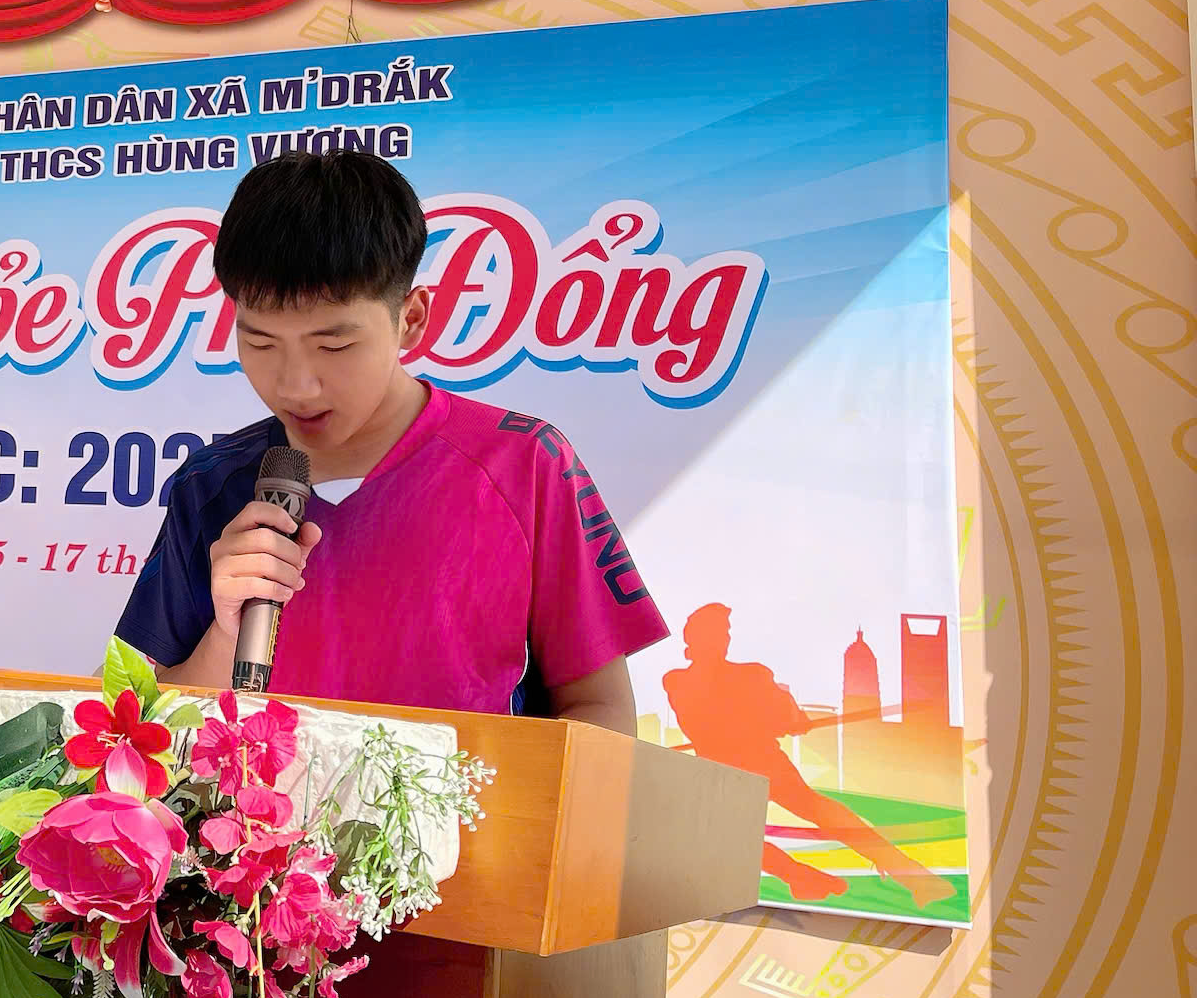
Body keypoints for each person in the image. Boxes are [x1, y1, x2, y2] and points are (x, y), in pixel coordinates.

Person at [114, 151, 665, 730]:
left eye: (334, 346)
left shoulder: (525, 463)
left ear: (412, 318)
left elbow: (600, 708)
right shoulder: (210, 483)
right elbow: (146, 725)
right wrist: (226, 633)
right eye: (261, 343)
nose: (296, 385)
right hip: (257, 795)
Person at [663, 604, 956, 909]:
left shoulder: (685, 681)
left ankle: (805, 877)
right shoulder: (739, 677)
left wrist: (786, 719)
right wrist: (791, 720)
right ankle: (811, 877)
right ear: (698, 639)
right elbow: (775, 714)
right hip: (744, 768)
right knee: (758, 829)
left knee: (802, 819)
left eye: (726, 633)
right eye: (720, 633)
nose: (725, 639)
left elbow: (767, 714)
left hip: (743, 768)